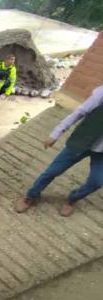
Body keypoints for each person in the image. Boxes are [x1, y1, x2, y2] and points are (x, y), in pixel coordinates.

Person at [16, 85, 103, 217]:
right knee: (52, 171)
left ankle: (72, 199)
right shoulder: (101, 94)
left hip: (100, 153)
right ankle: (31, 196)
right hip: (81, 142)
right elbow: (78, 113)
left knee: (97, 181)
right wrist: (56, 134)